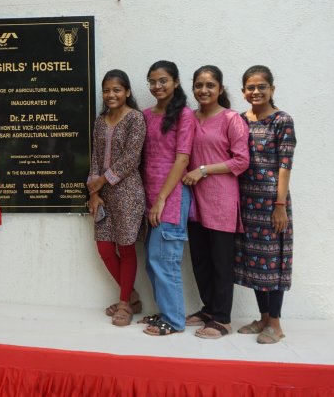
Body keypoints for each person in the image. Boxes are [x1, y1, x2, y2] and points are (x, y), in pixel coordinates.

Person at [182, 65, 249, 339]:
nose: (203, 90)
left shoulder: (231, 119)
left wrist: (204, 170)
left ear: (220, 89)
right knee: (200, 259)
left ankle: (222, 319)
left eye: (210, 85)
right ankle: (208, 309)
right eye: (199, 85)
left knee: (221, 262)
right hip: (194, 200)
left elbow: (242, 160)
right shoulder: (190, 118)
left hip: (221, 198)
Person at [234, 65, 296, 344]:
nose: (256, 91)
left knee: (272, 261)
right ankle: (262, 318)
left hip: (272, 202)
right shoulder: (239, 120)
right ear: (243, 91)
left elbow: (285, 165)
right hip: (247, 202)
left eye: (261, 86)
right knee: (255, 261)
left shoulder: (282, 120)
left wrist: (280, 203)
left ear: (272, 89)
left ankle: (276, 323)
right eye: (250, 87)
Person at [139, 60, 195, 336]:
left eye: (163, 81)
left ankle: (174, 320)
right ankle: (164, 312)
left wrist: (161, 198)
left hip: (170, 196)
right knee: (153, 258)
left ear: (175, 82)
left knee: (165, 259)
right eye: (152, 81)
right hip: (151, 195)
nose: (157, 86)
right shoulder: (147, 115)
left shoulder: (185, 115)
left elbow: (182, 159)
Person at [86, 70, 146, 327]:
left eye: (117, 90)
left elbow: (132, 158)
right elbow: (95, 158)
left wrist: (104, 180)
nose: (111, 95)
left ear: (127, 92)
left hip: (128, 192)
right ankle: (131, 296)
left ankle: (124, 304)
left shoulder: (135, 119)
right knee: (105, 248)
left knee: (127, 246)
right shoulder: (101, 121)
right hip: (103, 195)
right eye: (107, 90)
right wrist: (94, 191)